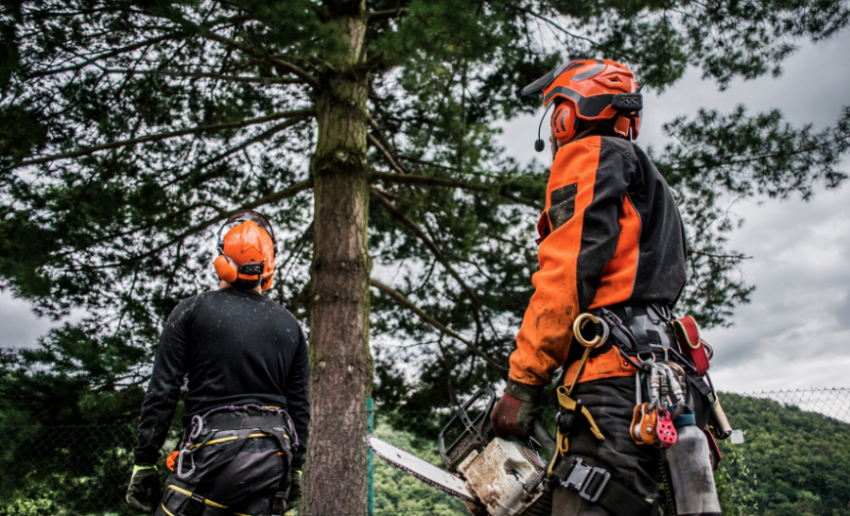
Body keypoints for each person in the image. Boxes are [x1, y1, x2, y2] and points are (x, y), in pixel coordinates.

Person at [491, 60, 718, 516]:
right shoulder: (653, 185)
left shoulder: (589, 154)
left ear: (567, 114)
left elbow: (566, 273)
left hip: (613, 385)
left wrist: (523, 382)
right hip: (669, 383)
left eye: (555, 111)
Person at [126, 209, 310, 516]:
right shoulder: (290, 325)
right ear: (269, 267)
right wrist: (297, 470)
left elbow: (163, 392)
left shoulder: (191, 312)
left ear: (221, 262)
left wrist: (144, 462)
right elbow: (299, 406)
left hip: (209, 453)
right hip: (273, 462)